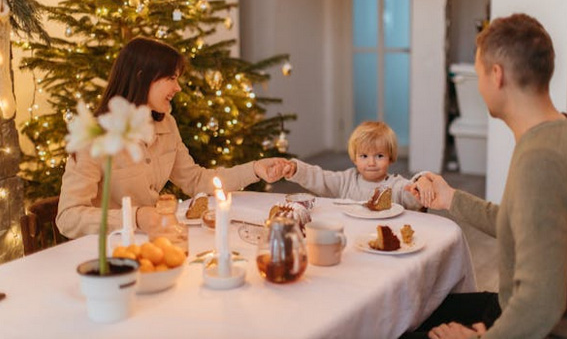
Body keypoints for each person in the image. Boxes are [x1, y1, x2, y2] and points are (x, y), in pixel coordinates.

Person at [405, 13, 567, 339]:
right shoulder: (556, 133)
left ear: (496, 75)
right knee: (415, 306)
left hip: (537, 324)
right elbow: (520, 224)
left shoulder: (541, 159)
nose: (480, 85)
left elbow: (541, 303)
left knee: (398, 328)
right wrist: (450, 197)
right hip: (513, 309)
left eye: (479, 71)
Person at [57, 37, 289, 239]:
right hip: (108, 257)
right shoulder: (97, 136)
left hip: (151, 244)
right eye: (171, 78)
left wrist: (256, 169)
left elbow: (196, 180)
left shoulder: (166, 124)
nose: (178, 87)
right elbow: (68, 217)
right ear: (142, 77)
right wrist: (135, 217)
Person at [282, 121, 433, 211]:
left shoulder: (397, 185)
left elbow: (413, 195)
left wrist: (422, 182)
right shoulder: (345, 180)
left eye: (379, 156)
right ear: (355, 158)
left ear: (391, 157)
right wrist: (297, 169)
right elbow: (319, 178)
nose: (371, 162)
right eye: (364, 156)